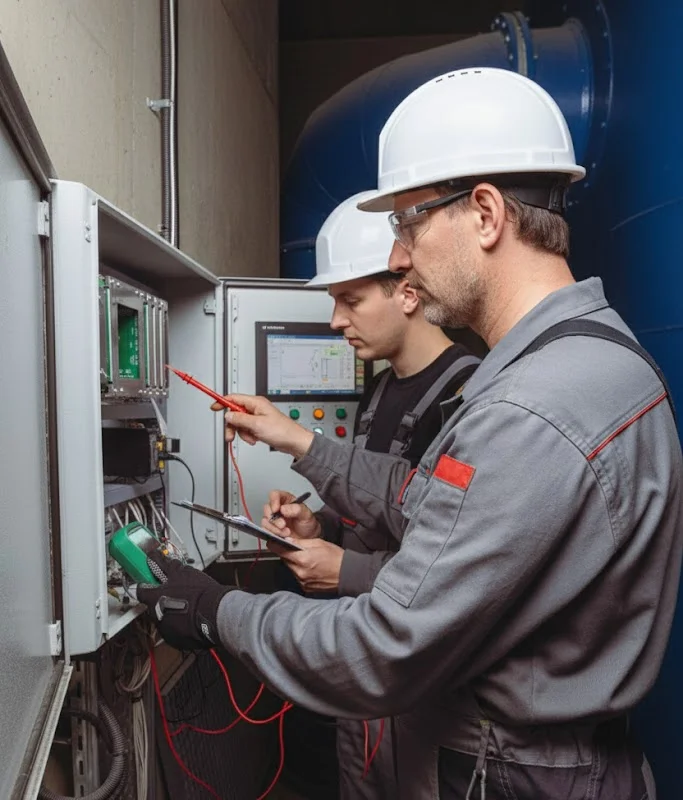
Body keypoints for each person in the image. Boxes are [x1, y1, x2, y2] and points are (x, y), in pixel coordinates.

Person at [139, 68, 683, 799]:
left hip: (512, 778)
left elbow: (382, 649)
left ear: (484, 214)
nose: (398, 256)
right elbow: (423, 499)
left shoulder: (532, 409)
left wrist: (214, 612)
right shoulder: (589, 358)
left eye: (407, 221)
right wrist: (300, 444)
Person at [273, 190, 480, 799]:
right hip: (364, 682)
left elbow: (455, 572)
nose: (336, 320)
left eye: (350, 299)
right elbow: (371, 519)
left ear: (408, 292)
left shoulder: (467, 402)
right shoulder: (379, 392)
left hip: (427, 694)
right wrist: (320, 532)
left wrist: (343, 572)